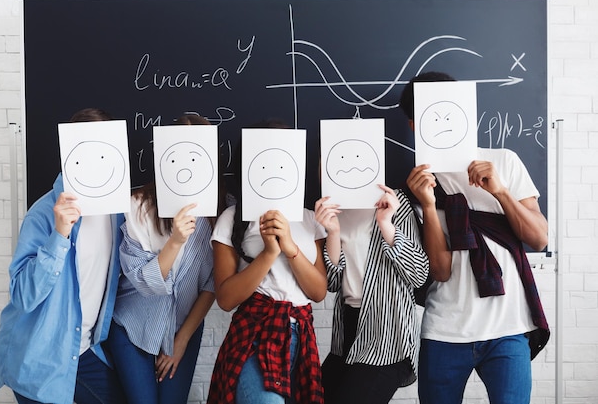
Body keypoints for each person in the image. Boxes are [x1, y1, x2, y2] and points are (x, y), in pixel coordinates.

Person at [400, 71, 550, 404]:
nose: (442, 120)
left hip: (508, 329)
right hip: (445, 331)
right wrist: (426, 203)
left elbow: (539, 238)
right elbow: (439, 271)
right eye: (429, 114)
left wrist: (500, 193)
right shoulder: (419, 184)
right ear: (414, 126)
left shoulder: (503, 161)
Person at [0, 108, 127, 404]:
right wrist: (59, 236)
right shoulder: (43, 215)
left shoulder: (117, 213)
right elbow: (23, 296)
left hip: (84, 350)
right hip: (40, 356)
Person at [207, 119, 328, 404]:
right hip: (255, 332)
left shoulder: (310, 218)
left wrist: (289, 247)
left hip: (301, 334)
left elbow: (318, 292)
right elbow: (225, 299)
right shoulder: (233, 218)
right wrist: (268, 253)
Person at [107, 114, 217, 404]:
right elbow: (147, 283)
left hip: (184, 329)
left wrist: (180, 342)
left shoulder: (216, 213)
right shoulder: (137, 207)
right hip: (133, 328)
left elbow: (211, 285)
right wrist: (176, 241)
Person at [314, 179, 430, 403]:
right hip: (347, 331)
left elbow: (418, 274)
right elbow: (333, 282)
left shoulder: (394, 202)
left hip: (388, 335)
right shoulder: (331, 209)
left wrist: (386, 223)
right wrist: (333, 232)